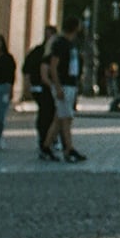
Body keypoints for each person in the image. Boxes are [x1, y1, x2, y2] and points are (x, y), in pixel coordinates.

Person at [41, 17, 86, 163]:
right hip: (64, 85)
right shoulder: (61, 44)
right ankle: (69, 149)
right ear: (75, 27)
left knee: (59, 119)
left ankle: (46, 147)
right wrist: (58, 86)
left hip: (70, 84)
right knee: (66, 118)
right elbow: (53, 66)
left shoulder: (70, 44)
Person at [23, 27, 56, 160]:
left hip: (48, 87)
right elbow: (27, 69)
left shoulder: (54, 52)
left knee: (50, 114)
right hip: (41, 87)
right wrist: (28, 85)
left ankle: (49, 139)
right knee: (45, 113)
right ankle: (45, 140)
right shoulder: (39, 52)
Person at [0, 34, 13, 148]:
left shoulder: (7, 58)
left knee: (0, 114)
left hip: (3, 88)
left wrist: (10, 89)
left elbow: (11, 75)